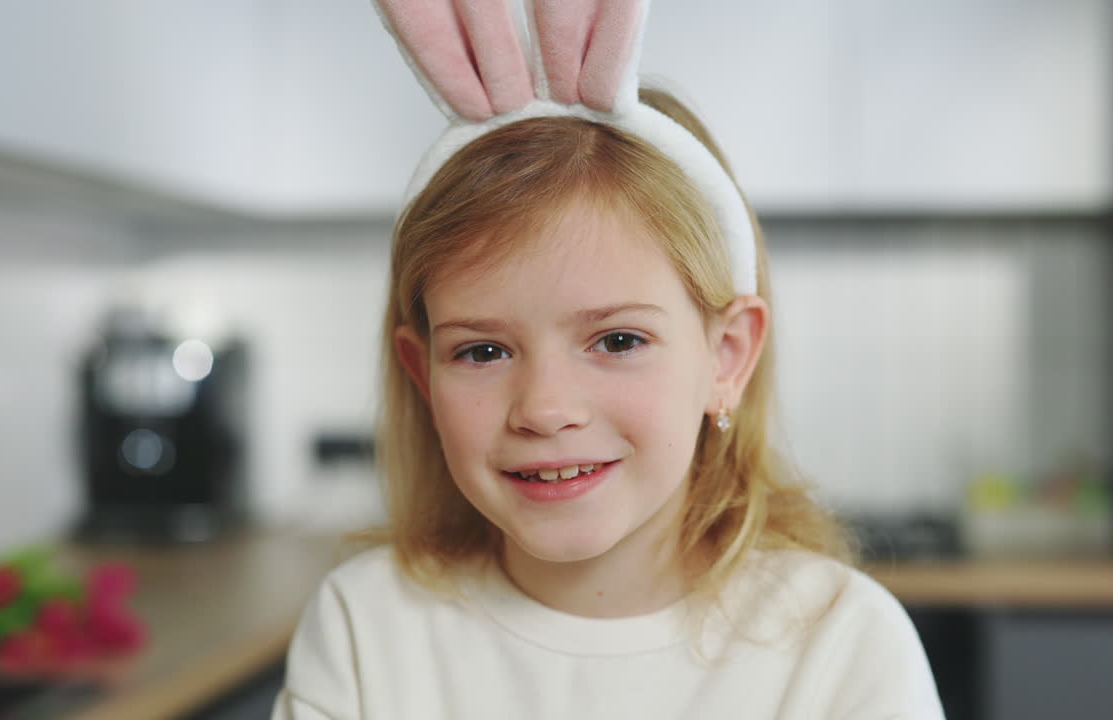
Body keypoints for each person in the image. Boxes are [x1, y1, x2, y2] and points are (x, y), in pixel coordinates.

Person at [272, 1, 944, 718]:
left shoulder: (842, 643)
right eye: (483, 350)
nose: (545, 408)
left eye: (618, 341)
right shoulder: (364, 627)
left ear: (727, 357)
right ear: (422, 376)